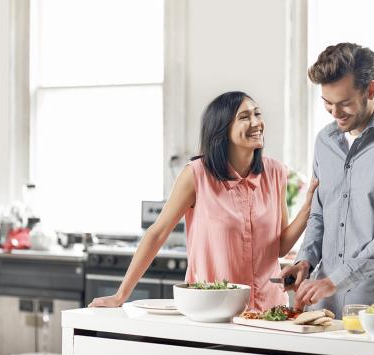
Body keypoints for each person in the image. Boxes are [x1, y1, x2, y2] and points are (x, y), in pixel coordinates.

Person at [89, 91, 318, 311]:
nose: (256, 122)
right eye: (244, 117)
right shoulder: (196, 175)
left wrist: (308, 208)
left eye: (257, 114)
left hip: (269, 310)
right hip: (213, 309)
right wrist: (121, 295)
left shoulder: (275, 172)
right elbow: (157, 233)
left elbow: (278, 247)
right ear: (222, 129)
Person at [280, 43, 374, 326]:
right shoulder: (325, 141)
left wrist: (336, 279)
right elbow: (319, 213)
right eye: (327, 102)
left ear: (370, 90)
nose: (335, 113)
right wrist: (306, 261)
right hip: (328, 306)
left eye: (344, 102)